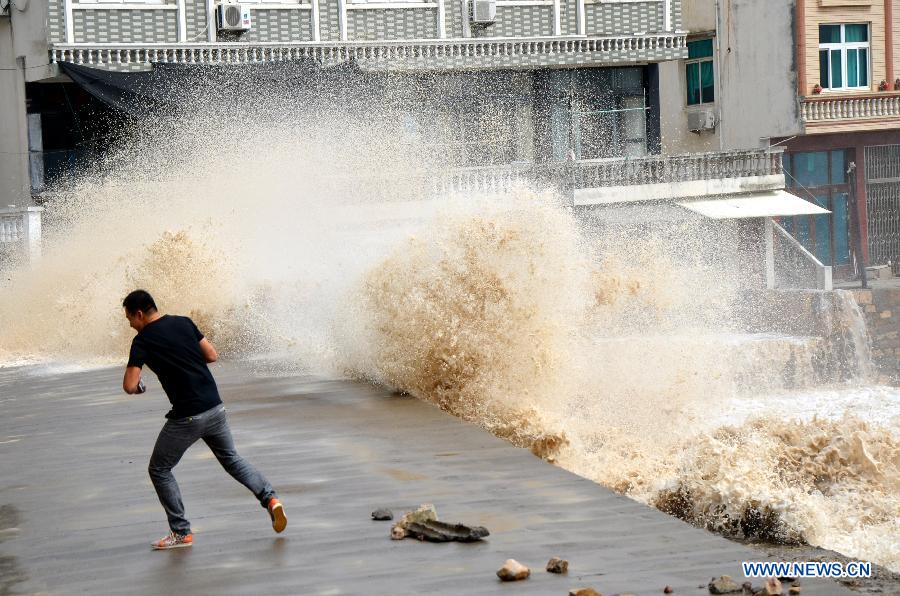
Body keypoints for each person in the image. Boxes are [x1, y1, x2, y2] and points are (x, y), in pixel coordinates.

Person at [121, 289, 287, 550]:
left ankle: (181, 532)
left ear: (139, 314)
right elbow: (211, 355)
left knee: (159, 469)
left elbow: (130, 385)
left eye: (129, 318)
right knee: (232, 459)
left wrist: (142, 386)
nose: (130, 324)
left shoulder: (142, 341)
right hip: (215, 407)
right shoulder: (183, 322)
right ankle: (270, 499)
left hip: (187, 416)